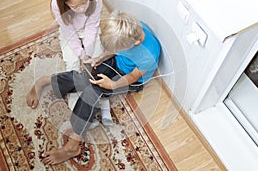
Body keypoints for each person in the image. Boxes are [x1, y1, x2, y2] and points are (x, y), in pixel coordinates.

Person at [26, 10, 161, 165]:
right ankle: (46, 80)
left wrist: (113, 84)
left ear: (135, 43)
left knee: (92, 92)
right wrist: (100, 58)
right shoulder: (132, 28)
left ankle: (72, 146)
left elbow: (132, 78)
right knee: (86, 78)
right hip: (118, 63)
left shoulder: (148, 55)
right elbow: (115, 50)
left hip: (129, 78)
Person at [50, 0, 113, 125]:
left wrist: (88, 56)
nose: (81, 9)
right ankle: (79, 114)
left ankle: (105, 106)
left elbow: (92, 28)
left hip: (88, 30)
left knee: (98, 65)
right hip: (69, 32)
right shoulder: (56, 5)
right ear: (64, 3)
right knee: (73, 68)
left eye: (84, 3)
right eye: (74, 6)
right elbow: (69, 33)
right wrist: (80, 55)